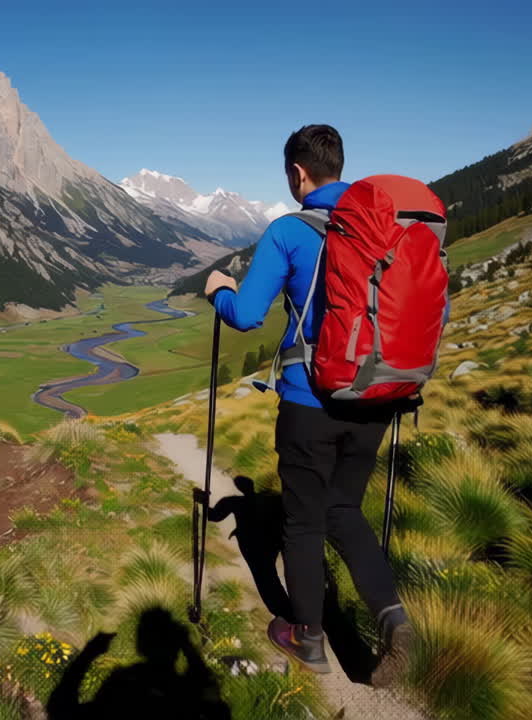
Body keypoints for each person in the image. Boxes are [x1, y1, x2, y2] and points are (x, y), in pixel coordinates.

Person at [203, 125, 411, 687]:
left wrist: (218, 289)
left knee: (302, 522)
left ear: (298, 173)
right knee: (344, 510)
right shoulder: (390, 230)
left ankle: (309, 638)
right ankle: (394, 619)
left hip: (308, 400)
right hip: (375, 399)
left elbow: (246, 315)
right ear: (340, 166)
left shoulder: (288, 231)